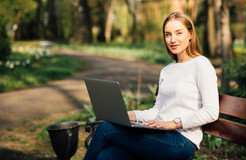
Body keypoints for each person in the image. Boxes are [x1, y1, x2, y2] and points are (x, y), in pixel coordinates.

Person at [84, 12, 219, 160]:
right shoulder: (166, 71)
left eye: (178, 33)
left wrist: (174, 123)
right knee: (107, 156)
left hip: (181, 141)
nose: (172, 39)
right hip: (158, 136)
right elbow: (157, 111)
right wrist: (127, 115)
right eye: (168, 35)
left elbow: (211, 111)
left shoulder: (201, 64)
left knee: (105, 130)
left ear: (190, 34)